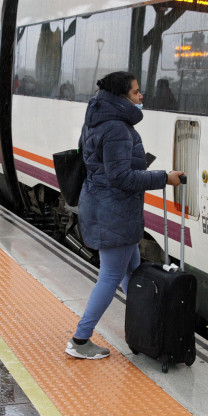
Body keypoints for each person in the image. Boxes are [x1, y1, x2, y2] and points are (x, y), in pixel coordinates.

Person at [65, 71, 185, 360]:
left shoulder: (97, 120)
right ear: (121, 97)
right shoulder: (118, 128)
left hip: (107, 205)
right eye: (135, 92)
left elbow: (105, 167)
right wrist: (163, 178)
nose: (141, 96)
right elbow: (121, 177)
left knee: (132, 273)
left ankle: (147, 330)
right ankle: (80, 340)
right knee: (109, 276)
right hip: (114, 209)